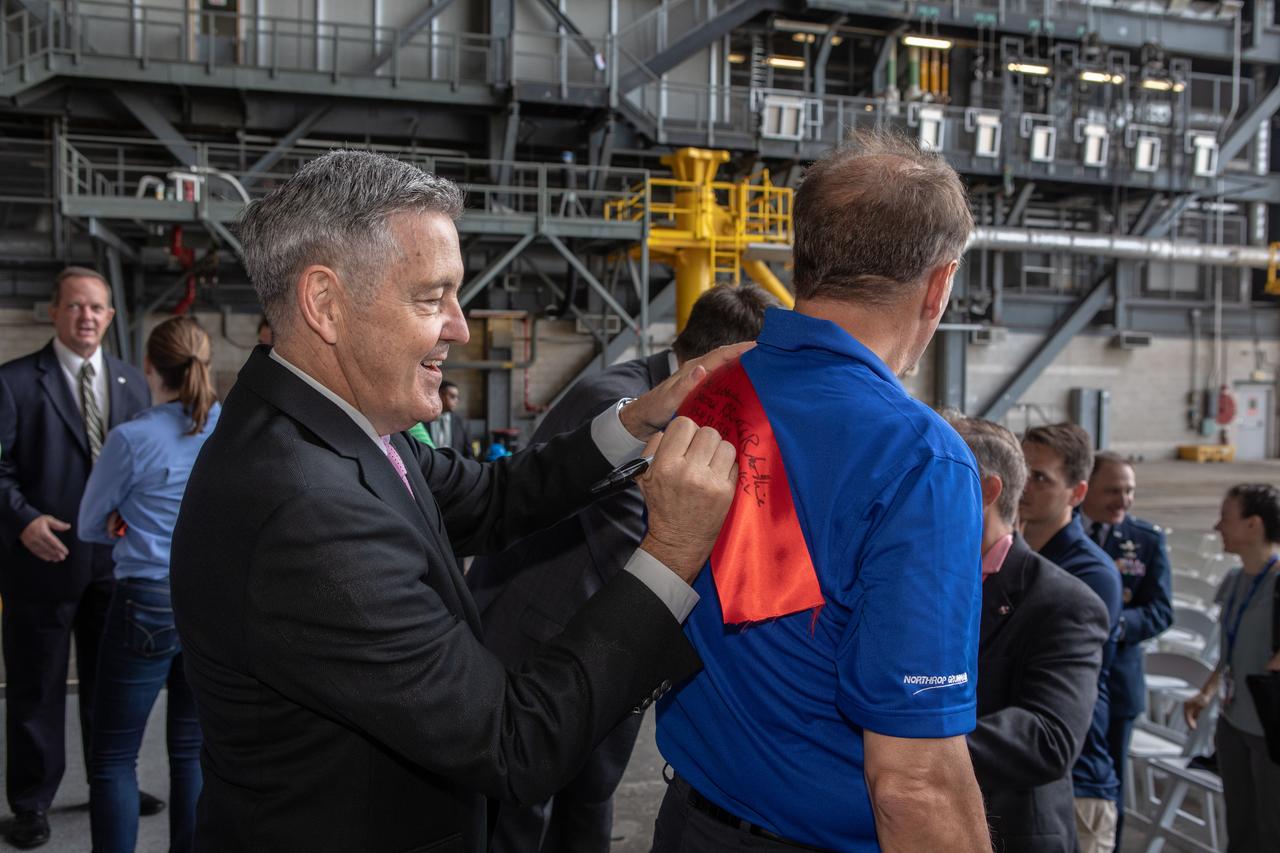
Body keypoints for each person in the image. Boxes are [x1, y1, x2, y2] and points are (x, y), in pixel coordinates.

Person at [169, 149, 746, 853]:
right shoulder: (306, 508)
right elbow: (515, 740)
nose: (461, 326)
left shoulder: (334, 425)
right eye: (430, 296)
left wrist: (640, 418)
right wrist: (673, 551)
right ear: (325, 304)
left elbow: (495, 497)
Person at [652, 132, 990, 853]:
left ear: (803, 255)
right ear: (940, 285)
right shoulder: (921, 459)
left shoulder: (716, 390)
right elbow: (913, 780)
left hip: (690, 818)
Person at [467, 282, 777, 853]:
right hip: (538, 637)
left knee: (590, 798)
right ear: (722, 367)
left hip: (610, 643)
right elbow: (646, 538)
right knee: (518, 813)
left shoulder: (688, 409)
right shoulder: (618, 400)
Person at [0, 267, 159, 851]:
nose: (86, 316)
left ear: (111, 318)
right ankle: (31, 803)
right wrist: (24, 521)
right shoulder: (14, 382)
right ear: (54, 313)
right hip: (41, 559)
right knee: (36, 687)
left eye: (96, 308)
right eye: (75, 306)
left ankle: (108, 783)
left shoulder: (129, 384)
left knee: (108, 683)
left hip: (114, 562)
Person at [77, 316, 220, 853]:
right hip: (208, 601)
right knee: (191, 751)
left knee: (115, 758)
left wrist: (122, 522)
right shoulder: (226, 427)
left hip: (145, 602)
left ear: (147, 367)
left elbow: (91, 521)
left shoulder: (132, 437)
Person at [949, 415, 1110, 853]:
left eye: (933, 479)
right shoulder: (922, 580)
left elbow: (1049, 736)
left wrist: (917, 744)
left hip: (1012, 832)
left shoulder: (1063, 601)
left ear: (985, 491)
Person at [1019, 423, 1123, 853]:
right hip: (1023, 768)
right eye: (1020, 469)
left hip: (1076, 778)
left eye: (1040, 477)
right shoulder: (1017, 555)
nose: (1022, 484)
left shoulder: (1090, 574)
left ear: (1077, 493)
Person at [1081, 450, 1173, 840]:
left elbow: (1160, 611)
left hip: (1117, 684)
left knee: (1108, 787)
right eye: (1113, 491)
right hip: (1066, 681)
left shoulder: (1145, 540)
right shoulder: (1059, 532)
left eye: (1130, 491)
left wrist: (1115, 625)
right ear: (1084, 489)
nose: (1124, 500)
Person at [1184, 483, 1280, 853]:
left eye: (1226, 517)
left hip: (1269, 728)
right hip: (1233, 721)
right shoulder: (1235, 581)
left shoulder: (1276, 582)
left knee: (1272, 828)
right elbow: (1230, 650)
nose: (1217, 527)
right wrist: (1207, 692)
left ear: (1254, 525)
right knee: (1240, 827)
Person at [429, 379, 473, 457]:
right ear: (440, 395)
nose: (456, 401)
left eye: (457, 397)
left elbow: (469, 454)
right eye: (452, 397)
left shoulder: (462, 423)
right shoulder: (423, 419)